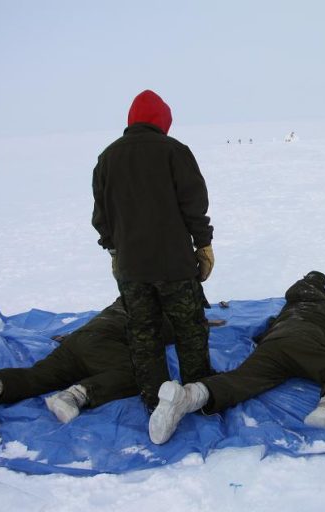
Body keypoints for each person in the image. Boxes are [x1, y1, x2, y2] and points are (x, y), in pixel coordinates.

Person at [91, 89, 215, 412]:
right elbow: (194, 204)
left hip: (132, 269)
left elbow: (101, 216)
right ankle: (197, 393)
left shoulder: (107, 158)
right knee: (189, 329)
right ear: (162, 120)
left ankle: (154, 398)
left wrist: (114, 251)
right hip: (175, 266)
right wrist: (203, 244)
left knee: (143, 333)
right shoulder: (175, 152)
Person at [148, 271, 325, 444]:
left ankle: (187, 397)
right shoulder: (323, 306)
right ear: (324, 292)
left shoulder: (289, 307)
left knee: (239, 380)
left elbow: (266, 330)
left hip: (274, 344)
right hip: (307, 341)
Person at [0, 298, 138, 430]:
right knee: (139, 373)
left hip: (78, 340)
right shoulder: (150, 302)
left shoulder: (128, 295)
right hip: (106, 343)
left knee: (38, 377)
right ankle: (75, 396)